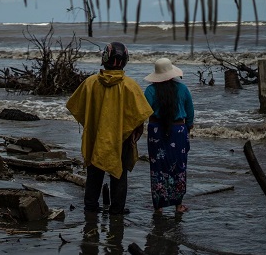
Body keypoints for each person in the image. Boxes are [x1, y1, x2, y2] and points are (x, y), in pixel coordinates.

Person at [66, 42, 153, 215]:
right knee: (119, 173)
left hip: (96, 136)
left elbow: (77, 107)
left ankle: (90, 207)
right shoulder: (131, 86)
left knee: (94, 172)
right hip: (122, 138)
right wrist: (135, 134)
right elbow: (139, 116)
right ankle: (117, 209)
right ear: (125, 60)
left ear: (104, 58)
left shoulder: (90, 83)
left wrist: (92, 125)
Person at [143, 57, 194, 214]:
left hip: (156, 132)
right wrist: (188, 129)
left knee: (157, 168)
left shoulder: (150, 91)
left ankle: (158, 207)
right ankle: (178, 205)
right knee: (179, 167)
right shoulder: (183, 89)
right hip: (178, 131)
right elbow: (190, 114)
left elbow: (143, 112)